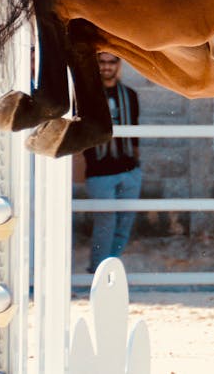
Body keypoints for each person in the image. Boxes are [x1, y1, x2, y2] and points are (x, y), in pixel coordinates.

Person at [83, 52, 142, 273]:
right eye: (102, 61)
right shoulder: (85, 96)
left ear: (119, 65)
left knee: (124, 224)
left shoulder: (130, 95)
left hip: (129, 171)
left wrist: (137, 165)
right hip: (100, 172)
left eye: (112, 62)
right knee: (105, 224)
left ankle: (110, 270)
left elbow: (135, 134)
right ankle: (97, 271)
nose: (107, 66)